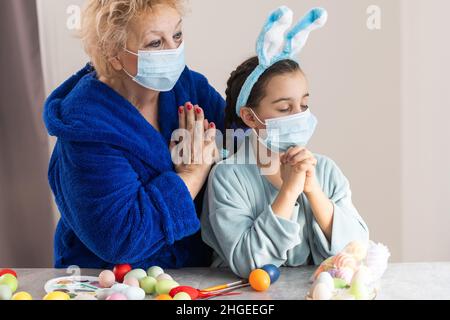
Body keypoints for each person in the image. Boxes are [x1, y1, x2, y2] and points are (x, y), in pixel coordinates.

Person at [43, 0, 224, 269]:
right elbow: (121, 237)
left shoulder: (185, 87)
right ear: (113, 53)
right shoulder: (85, 126)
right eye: (155, 43)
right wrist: (193, 175)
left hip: (190, 274)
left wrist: (264, 81)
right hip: (104, 280)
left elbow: (245, 141)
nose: (173, 51)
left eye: (176, 35)